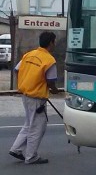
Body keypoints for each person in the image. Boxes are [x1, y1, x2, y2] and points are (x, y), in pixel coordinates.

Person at [9, 31, 60, 164]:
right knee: (37, 127)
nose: (55, 44)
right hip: (37, 98)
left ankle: (16, 149)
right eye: (54, 41)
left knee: (29, 123)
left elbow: (16, 69)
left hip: (26, 95)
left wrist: (27, 80)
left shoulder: (29, 54)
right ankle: (31, 156)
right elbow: (50, 82)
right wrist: (54, 91)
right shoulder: (49, 60)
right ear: (51, 43)